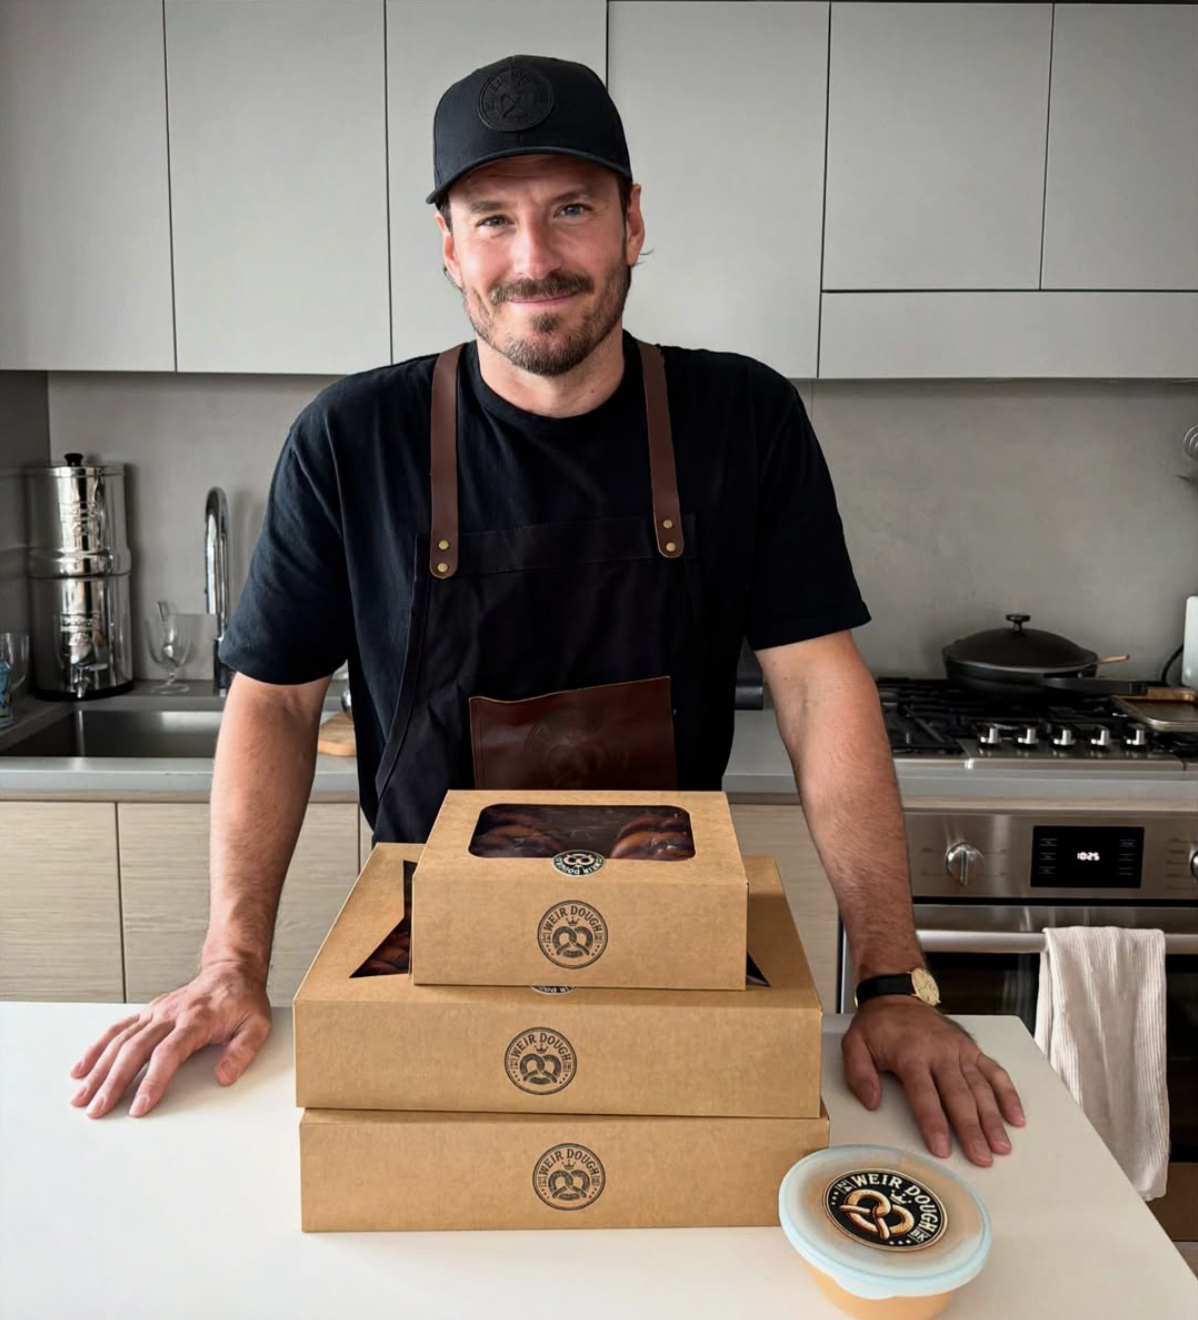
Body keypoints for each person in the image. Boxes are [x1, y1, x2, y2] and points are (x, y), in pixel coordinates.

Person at [70, 54, 1024, 1165]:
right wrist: (232, 963)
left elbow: (819, 685)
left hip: (671, 941)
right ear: (447, 247)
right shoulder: (350, 442)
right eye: (492, 220)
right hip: (430, 948)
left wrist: (892, 977)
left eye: (571, 208)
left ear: (631, 222)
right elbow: (274, 703)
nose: (534, 259)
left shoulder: (743, 420)